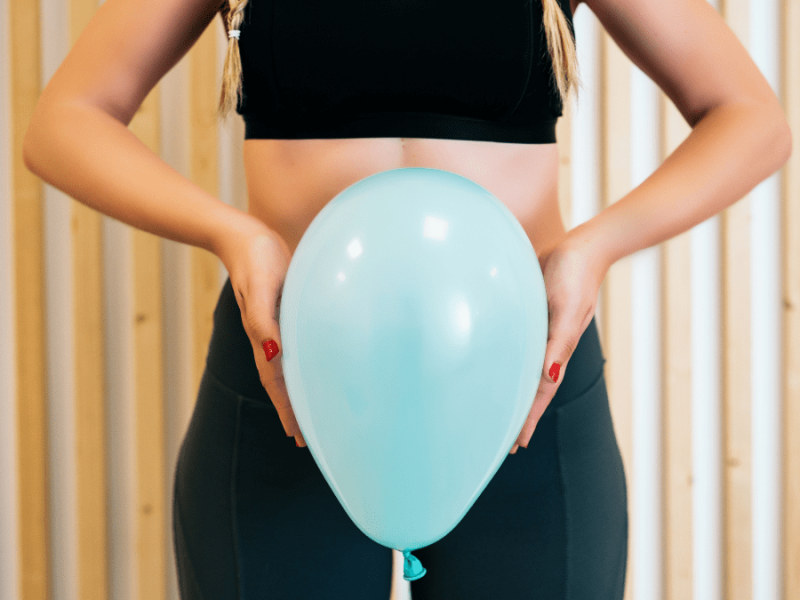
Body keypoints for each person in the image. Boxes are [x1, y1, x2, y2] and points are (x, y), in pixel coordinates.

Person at [22, 0, 791, 596]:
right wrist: (236, 235)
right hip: (290, 380)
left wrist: (593, 249)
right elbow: (64, 120)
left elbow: (750, 117)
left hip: (522, 380)